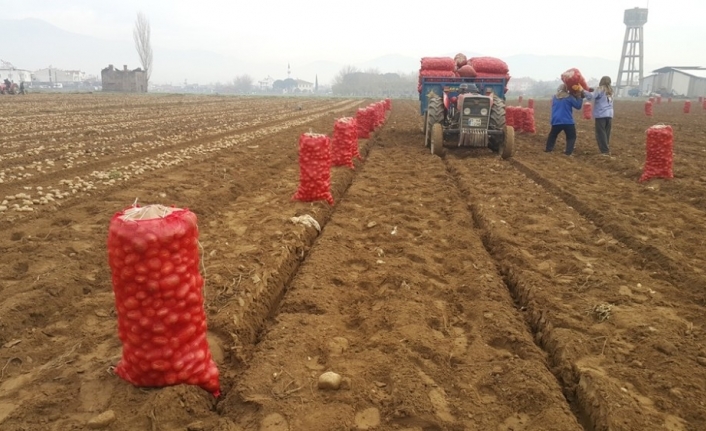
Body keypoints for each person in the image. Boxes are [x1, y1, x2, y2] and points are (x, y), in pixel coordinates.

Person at [545, 83, 583, 156]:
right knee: (571, 137)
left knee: (552, 135)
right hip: (567, 121)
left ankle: (548, 149)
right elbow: (578, 106)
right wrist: (579, 97)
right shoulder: (569, 98)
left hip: (556, 120)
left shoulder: (554, 97)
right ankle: (568, 152)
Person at [583, 76, 614, 155]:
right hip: (609, 114)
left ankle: (605, 151)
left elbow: (590, 97)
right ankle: (606, 148)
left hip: (601, 114)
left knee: (600, 133)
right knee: (606, 133)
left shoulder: (600, 89)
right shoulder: (611, 90)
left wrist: (582, 90)